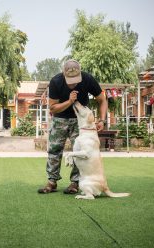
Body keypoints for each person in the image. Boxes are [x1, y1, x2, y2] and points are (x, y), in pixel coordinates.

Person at [38, 59, 108, 194]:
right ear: (63, 74)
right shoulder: (56, 81)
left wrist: (102, 120)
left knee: (79, 152)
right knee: (54, 150)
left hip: (80, 122)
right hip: (59, 119)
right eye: (70, 80)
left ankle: (75, 183)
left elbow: (102, 100)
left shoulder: (87, 79)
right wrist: (70, 101)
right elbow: (53, 108)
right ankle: (52, 181)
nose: (74, 83)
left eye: (76, 80)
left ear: (80, 74)